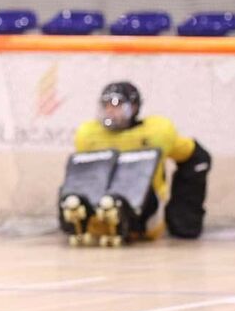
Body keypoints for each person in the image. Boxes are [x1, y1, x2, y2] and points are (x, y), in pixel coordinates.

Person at [63, 82, 211, 244]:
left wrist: (184, 213)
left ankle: (122, 211)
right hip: (100, 210)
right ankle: (83, 219)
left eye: (116, 104)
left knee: (138, 191)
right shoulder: (88, 135)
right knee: (72, 193)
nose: (110, 110)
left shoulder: (157, 132)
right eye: (106, 105)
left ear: (133, 107)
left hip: (144, 212)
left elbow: (196, 157)